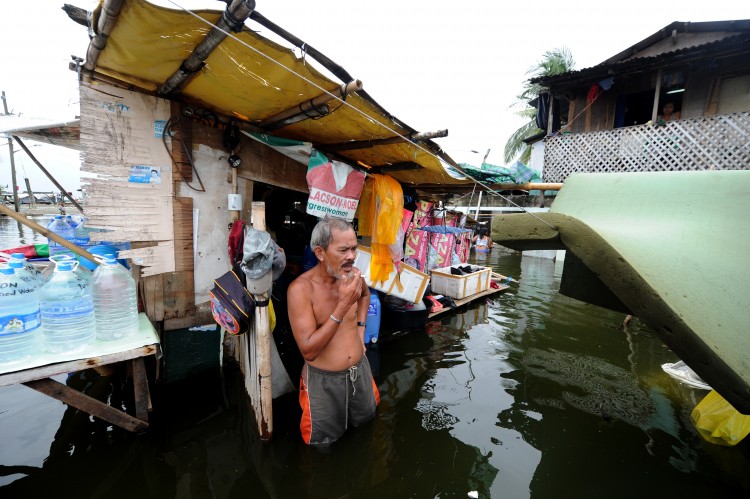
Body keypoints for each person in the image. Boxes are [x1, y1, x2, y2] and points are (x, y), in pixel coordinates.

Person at [287, 217, 380, 445]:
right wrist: (343, 305)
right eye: (343, 250)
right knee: (322, 444)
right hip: (324, 383)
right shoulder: (301, 289)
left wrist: (360, 330)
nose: (351, 256)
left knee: (366, 429)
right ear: (320, 252)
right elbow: (309, 352)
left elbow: (366, 295)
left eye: (354, 249)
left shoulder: (352, 275)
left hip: (360, 371)